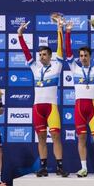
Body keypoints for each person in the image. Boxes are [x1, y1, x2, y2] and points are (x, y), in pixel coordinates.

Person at [17, 20, 68, 177]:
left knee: (55, 136)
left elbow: (61, 49)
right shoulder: (35, 68)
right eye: (40, 55)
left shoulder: (57, 66)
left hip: (51, 107)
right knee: (41, 137)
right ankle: (43, 167)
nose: (41, 57)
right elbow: (26, 52)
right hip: (37, 108)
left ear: (50, 56)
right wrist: (20, 35)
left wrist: (59, 29)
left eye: (44, 54)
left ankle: (60, 166)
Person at [65, 21, 94, 177]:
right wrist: (68, 32)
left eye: (86, 55)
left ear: (90, 56)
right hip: (79, 108)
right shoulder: (75, 68)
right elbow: (68, 52)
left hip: (93, 107)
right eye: (81, 56)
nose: (83, 58)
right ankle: (83, 168)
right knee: (82, 138)